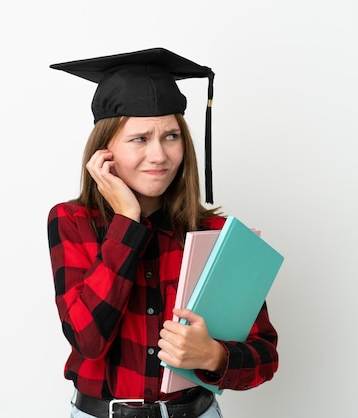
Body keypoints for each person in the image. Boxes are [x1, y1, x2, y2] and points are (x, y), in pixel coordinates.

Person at [47, 48, 278, 418]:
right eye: (139, 139)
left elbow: (265, 356)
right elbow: (87, 339)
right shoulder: (72, 222)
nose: (159, 155)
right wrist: (127, 220)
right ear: (104, 151)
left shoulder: (216, 235)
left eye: (171, 136)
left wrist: (213, 355)